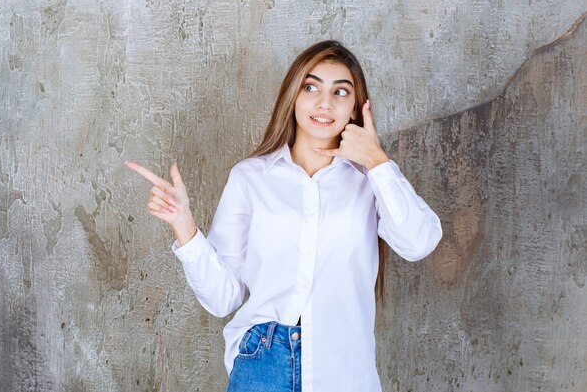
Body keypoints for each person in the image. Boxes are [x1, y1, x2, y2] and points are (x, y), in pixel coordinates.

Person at [126, 40, 442, 392]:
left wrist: (377, 161)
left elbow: (420, 242)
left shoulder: (373, 180)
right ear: (293, 96)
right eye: (311, 87)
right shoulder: (251, 177)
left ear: (356, 107)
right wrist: (184, 225)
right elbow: (222, 298)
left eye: (341, 92)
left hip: (343, 369)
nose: (325, 102)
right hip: (262, 365)